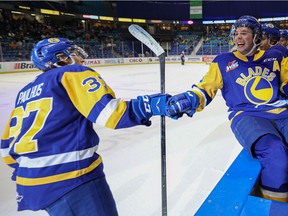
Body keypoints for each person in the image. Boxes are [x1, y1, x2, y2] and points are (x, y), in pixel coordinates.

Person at [0, 38, 169, 215]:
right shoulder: (70, 73)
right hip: (71, 180)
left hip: (33, 186)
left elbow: (7, 151)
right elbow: (111, 114)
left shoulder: (25, 92)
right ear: (60, 58)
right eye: (74, 53)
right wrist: (156, 104)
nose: (81, 58)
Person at [165, 15, 288, 202]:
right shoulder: (223, 61)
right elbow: (205, 89)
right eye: (236, 33)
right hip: (247, 116)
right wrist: (188, 100)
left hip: (282, 112)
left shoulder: (276, 56)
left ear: (256, 36)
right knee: (275, 153)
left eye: (244, 33)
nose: (238, 37)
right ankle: (276, 207)